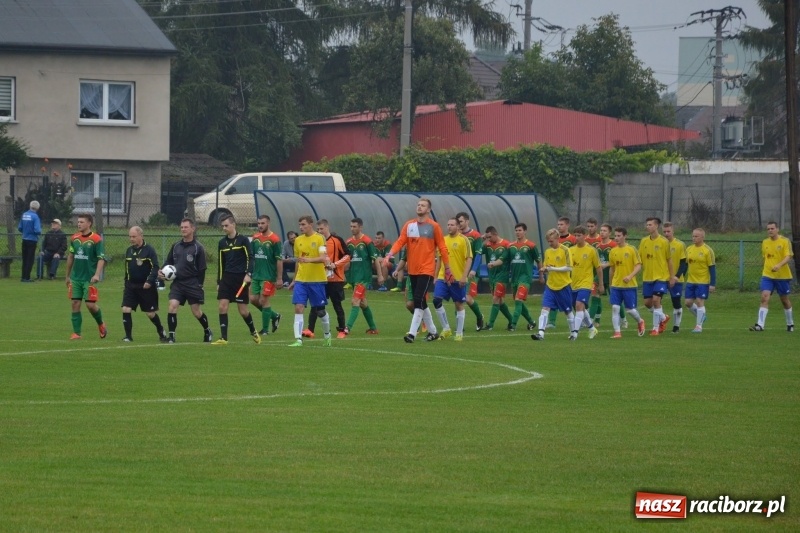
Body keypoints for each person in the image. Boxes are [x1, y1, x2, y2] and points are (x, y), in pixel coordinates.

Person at [384, 198, 451, 343]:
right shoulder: (409, 225)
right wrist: (390, 254)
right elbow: (400, 241)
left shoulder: (434, 227)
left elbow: (442, 247)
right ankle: (433, 332)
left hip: (427, 269)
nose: (419, 207)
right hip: (413, 270)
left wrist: (447, 268)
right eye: (418, 205)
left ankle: (412, 334)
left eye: (423, 205)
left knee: (418, 299)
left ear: (429, 210)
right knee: (421, 301)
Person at [161, 218, 214, 344]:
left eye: (186, 227)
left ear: (192, 229)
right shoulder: (176, 246)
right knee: (172, 306)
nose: (183, 229)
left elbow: (202, 269)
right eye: (181, 227)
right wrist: (162, 271)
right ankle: (171, 337)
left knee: (196, 312)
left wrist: (199, 285)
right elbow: (168, 262)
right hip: (178, 283)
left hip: (192, 283)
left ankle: (207, 330)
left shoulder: (198, 248)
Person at [211, 214, 260, 345]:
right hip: (227, 278)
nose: (224, 228)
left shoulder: (243, 240)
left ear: (233, 225)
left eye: (226, 225)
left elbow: (251, 258)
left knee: (243, 311)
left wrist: (249, 274)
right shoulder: (222, 243)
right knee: (222, 306)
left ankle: (253, 331)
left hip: (241, 279)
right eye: (222, 226)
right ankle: (223, 338)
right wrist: (219, 281)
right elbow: (221, 263)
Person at [288, 215, 333, 347]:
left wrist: (309, 260)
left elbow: (323, 258)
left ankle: (327, 334)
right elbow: (298, 261)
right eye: (299, 225)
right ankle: (298, 339)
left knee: (320, 312)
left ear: (310, 224)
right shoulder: (298, 240)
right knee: (298, 307)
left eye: (303, 224)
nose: (301, 227)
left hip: (317, 280)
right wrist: (294, 280)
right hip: (301, 280)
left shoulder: (320, 238)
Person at [64, 214, 107, 339]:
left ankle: (101, 324)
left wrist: (97, 274)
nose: (79, 224)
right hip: (76, 278)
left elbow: (101, 259)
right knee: (75, 303)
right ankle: (77, 333)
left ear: (89, 223)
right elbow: (71, 256)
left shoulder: (96, 239)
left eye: (82, 222)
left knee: (90, 305)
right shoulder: (74, 238)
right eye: (78, 222)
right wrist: (67, 276)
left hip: (89, 278)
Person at [121, 226, 168, 342]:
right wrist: (126, 282)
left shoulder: (149, 250)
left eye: (134, 237)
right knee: (126, 309)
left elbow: (155, 267)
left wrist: (149, 281)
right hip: (131, 286)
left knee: (150, 313)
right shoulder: (129, 250)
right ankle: (128, 336)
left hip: (146, 287)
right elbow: (127, 269)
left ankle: (161, 330)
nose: (131, 239)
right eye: (130, 237)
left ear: (141, 236)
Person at [306, 219, 350, 339]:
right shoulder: (315, 240)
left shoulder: (337, 240)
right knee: (316, 305)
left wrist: (335, 264)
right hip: (320, 279)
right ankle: (310, 330)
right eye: (318, 229)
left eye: (322, 229)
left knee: (337, 305)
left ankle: (342, 329)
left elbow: (348, 255)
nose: (320, 231)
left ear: (327, 227)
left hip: (335, 279)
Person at [531, 229, 576, 341]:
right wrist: (544, 269)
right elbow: (547, 266)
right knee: (545, 308)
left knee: (568, 311)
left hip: (563, 285)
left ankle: (573, 333)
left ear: (557, 238)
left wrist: (553, 269)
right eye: (548, 241)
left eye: (551, 241)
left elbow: (569, 268)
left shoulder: (565, 250)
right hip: (550, 286)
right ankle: (541, 333)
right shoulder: (547, 252)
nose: (550, 243)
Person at [432, 218, 473, 341]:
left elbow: (469, 259)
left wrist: (464, 276)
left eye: (452, 225)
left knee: (458, 304)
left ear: (458, 227)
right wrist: (435, 276)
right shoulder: (443, 240)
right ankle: (446, 328)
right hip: (443, 277)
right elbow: (439, 259)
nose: (449, 227)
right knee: (436, 300)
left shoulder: (464, 240)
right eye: (448, 224)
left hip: (458, 278)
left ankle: (459, 333)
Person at [750, 221, 794, 332]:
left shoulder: (785, 241)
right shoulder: (765, 242)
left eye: (772, 228)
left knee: (784, 300)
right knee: (764, 297)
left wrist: (779, 265)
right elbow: (765, 257)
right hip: (767, 275)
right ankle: (760, 325)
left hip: (782, 276)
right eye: (768, 229)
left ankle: (790, 323)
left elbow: (788, 256)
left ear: (777, 229)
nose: (770, 231)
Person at [344, 218, 382, 335]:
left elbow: (375, 259)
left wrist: (380, 275)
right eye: (351, 226)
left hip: (363, 278)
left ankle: (347, 328)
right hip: (353, 277)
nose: (352, 229)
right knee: (363, 303)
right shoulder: (348, 242)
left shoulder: (367, 241)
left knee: (355, 301)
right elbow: (346, 260)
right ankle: (373, 328)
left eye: (354, 226)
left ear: (360, 227)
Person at [608, 227, 646, 339]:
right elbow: (612, 268)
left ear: (625, 236)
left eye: (619, 236)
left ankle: (640, 321)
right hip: (616, 285)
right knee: (615, 308)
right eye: (615, 236)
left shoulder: (632, 249)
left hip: (629, 285)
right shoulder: (613, 251)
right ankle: (617, 332)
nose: (616, 238)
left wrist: (630, 276)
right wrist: (611, 283)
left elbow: (638, 266)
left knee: (630, 310)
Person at [639, 217, 675, 336]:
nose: (648, 227)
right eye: (647, 224)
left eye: (650, 224)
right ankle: (663, 317)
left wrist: (671, 277)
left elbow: (669, 260)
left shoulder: (664, 242)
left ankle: (656, 328)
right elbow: (639, 259)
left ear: (656, 226)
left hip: (661, 277)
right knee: (647, 303)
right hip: (647, 277)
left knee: (656, 300)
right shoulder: (644, 241)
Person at [250, 215, 283, 336]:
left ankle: (265, 330)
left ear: (268, 223)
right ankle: (274, 316)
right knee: (253, 299)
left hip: (268, 276)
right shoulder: (255, 238)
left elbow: (279, 260)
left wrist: (279, 278)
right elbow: (251, 256)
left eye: (262, 223)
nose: (260, 225)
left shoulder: (275, 239)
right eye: (258, 223)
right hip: (256, 275)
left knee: (263, 300)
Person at [569, 226, 603, 339]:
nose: (577, 237)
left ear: (584, 236)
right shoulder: (571, 250)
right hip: (573, 283)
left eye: (579, 235)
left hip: (586, 283)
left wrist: (601, 284)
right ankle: (592, 328)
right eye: (575, 235)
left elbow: (598, 268)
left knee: (579, 305)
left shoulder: (591, 250)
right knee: (580, 308)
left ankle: (574, 333)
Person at [455, 212, 486, 330]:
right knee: (458, 298)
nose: (459, 224)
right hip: (458, 271)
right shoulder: (456, 235)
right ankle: (460, 326)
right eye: (457, 222)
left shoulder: (475, 235)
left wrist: (473, 270)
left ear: (467, 221)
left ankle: (479, 316)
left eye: (461, 221)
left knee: (466, 297)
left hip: (470, 272)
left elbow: (478, 254)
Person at [589, 223, 624, 328]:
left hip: (611, 276)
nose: (602, 232)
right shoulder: (597, 246)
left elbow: (617, 261)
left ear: (609, 233)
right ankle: (590, 321)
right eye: (601, 230)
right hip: (599, 276)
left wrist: (606, 264)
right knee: (595, 297)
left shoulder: (614, 245)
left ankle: (623, 319)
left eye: (604, 231)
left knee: (615, 300)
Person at [508, 222, 540, 331]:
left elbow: (538, 261)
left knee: (518, 300)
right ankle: (531, 322)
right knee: (519, 302)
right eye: (516, 230)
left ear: (525, 231)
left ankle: (512, 325)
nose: (518, 232)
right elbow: (506, 260)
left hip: (525, 278)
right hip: (514, 278)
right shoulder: (511, 246)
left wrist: (541, 275)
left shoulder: (531, 246)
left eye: (520, 230)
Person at [684, 228, 716, 333]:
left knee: (699, 301)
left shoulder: (707, 250)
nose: (694, 238)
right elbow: (685, 265)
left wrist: (712, 284)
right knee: (688, 303)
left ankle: (698, 326)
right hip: (690, 281)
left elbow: (712, 268)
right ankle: (701, 316)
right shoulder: (689, 249)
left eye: (696, 236)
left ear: (702, 237)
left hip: (703, 281)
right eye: (693, 236)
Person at [547, 216, 577, 327]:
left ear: (567, 225)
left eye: (561, 224)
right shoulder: (553, 240)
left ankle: (580, 318)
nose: (559, 226)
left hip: (570, 273)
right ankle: (552, 321)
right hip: (556, 274)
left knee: (573, 298)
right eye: (558, 224)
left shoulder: (573, 239)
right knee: (552, 295)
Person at [482, 226, 514, 330]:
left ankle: (490, 325)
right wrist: (481, 240)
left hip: (502, 276)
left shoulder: (506, 244)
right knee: (500, 301)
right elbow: (477, 251)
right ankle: (512, 321)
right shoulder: (487, 245)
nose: (489, 239)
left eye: (490, 237)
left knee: (495, 298)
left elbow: (502, 260)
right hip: (492, 276)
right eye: (487, 237)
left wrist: (493, 264)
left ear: (495, 234)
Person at [663, 222, 687, 333]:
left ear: (673, 231)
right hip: (662, 278)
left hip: (676, 279)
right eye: (664, 232)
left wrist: (676, 276)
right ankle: (661, 322)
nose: (666, 234)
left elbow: (684, 263)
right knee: (655, 301)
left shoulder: (680, 245)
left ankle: (676, 326)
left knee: (676, 302)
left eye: (668, 231)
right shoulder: (661, 244)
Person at [18, 200, 42, 282]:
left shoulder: (24, 215)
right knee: (30, 259)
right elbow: (37, 230)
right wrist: (38, 233)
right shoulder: (35, 217)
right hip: (32, 240)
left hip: (24, 239)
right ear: (37, 208)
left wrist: (25, 232)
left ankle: (23, 276)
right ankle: (27, 277)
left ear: (30, 206)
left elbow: (20, 228)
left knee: (24, 259)